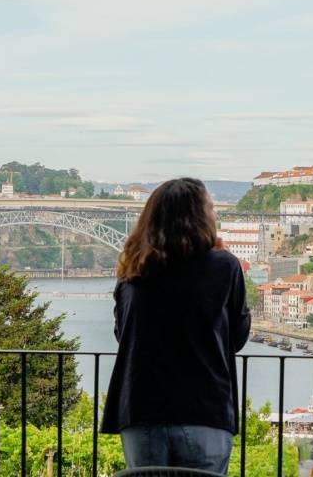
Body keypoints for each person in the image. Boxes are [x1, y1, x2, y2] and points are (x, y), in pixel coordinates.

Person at [101, 178, 251, 474]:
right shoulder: (224, 266)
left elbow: (123, 335)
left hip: (141, 409)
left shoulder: (132, 271)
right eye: (211, 207)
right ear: (200, 216)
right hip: (204, 409)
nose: (215, 214)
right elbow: (237, 335)